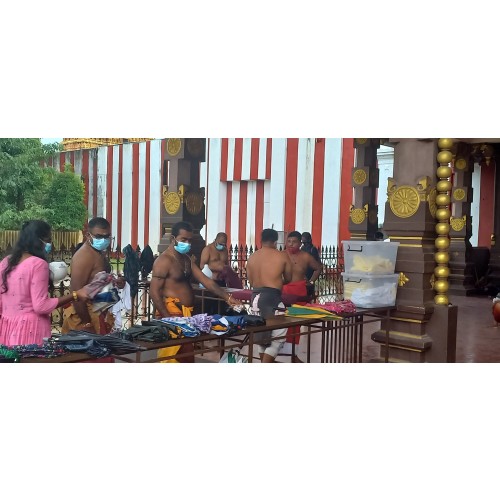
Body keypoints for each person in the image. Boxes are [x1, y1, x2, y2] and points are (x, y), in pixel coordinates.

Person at [150, 221, 243, 363]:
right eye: (183, 240)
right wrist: (169, 320)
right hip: (172, 314)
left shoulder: (186, 259)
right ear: (173, 239)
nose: (187, 243)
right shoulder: (163, 261)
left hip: (187, 315)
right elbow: (154, 292)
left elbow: (206, 281)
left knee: (186, 356)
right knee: (176, 356)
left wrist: (228, 297)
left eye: (189, 240)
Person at [0, 220, 90, 346]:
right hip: (30, 330)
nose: (50, 244)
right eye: (48, 240)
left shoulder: (6, 262)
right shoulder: (38, 264)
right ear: (37, 240)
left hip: (7, 329)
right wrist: (75, 295)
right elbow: (41, 306)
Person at [62, 217, 123, 335]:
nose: (103, 240)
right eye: (99, 236)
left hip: (99, 311)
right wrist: (87, 323)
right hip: (85, 317)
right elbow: (76, 293)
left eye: (107, 236)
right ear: (88, 235)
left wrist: (116, 281)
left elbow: (96, 280)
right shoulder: (84, 256)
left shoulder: (98, 252)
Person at [246, 228, 293, 363]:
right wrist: (275, 281)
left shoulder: (252, 257)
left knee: (262, 337)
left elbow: (250, 281)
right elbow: (288, 278)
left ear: (261, 240)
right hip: (272, 298)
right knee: (277, 339)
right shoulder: (281, 256)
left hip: (255, 298)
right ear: (275, 241)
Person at [280, 231, 322, 362]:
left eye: (294, 242)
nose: (291, 244)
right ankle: (274, 353)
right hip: (283, 292)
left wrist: (311, 281)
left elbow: (318, 268)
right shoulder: (280, 255)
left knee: (295, 324)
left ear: (300, 243)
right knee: (280, 321)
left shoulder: (306, 256)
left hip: (299, 292)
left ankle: (293, 354)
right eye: (289, 241)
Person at [300, 231, 321, 297]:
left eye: (305, 242)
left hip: (311, 273)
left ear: (309, 240)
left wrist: (311, 281)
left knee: (309, 291)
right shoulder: (302, 248)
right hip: (303, 273)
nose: (304, 244)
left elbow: (317, 265)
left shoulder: (313, 249)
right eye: (303, 242)